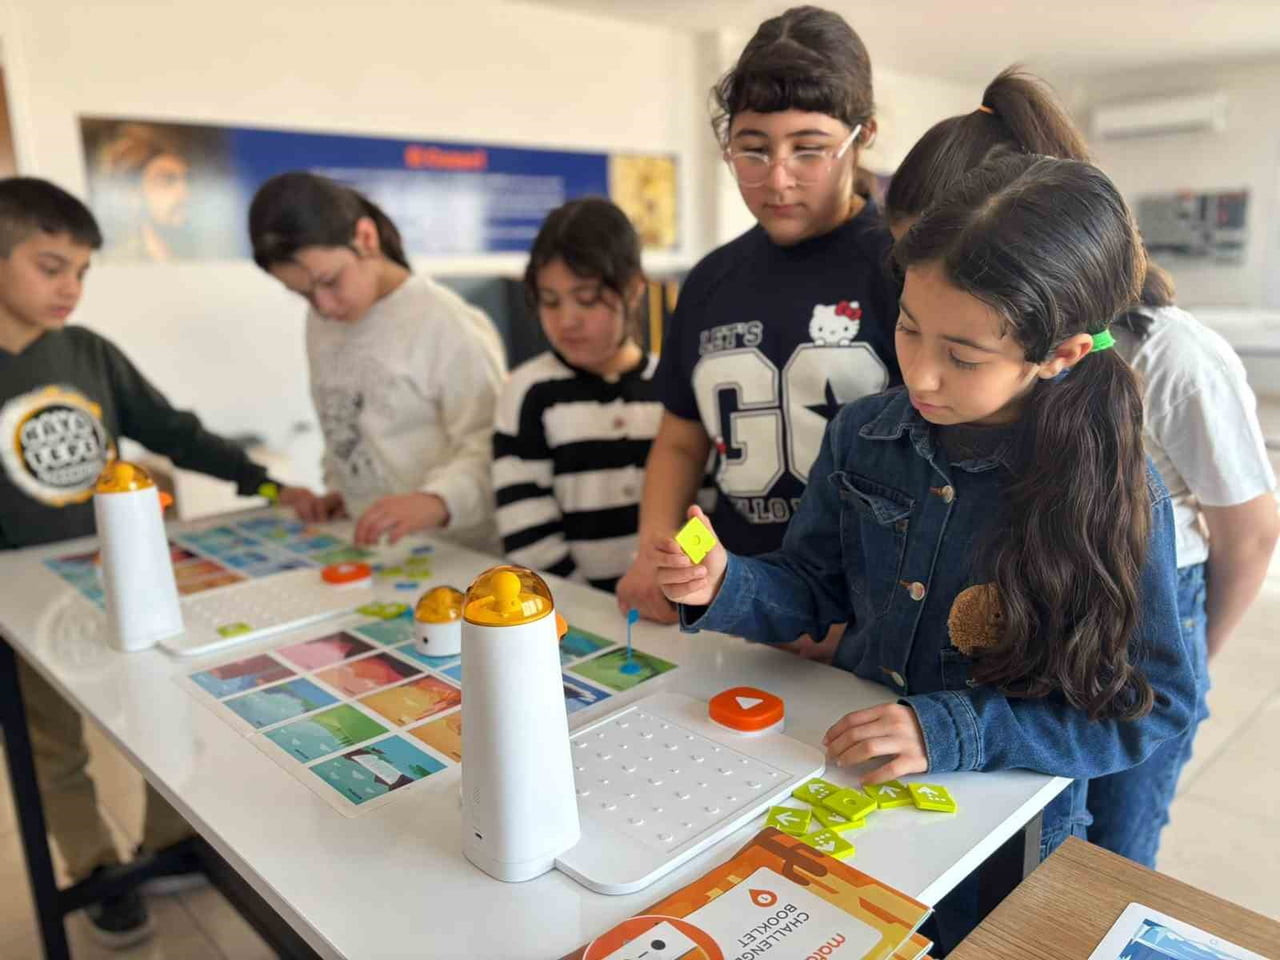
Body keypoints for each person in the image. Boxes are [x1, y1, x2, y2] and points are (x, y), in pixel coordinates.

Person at [654, 154, 1195, 936]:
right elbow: (813, 587)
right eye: (909, 327)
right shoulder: (862, 434)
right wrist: (723, 582)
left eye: (963, 357)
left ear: (1061, 355)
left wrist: (956, 728)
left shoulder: (1115, 490)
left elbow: (1153, 707)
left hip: (1006, 847)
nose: (922, 373)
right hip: (857, 797)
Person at [884, 66, 1279, 867]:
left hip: (1150, 606)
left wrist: (1191, 668)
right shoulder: (958, 352)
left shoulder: (1172, 356)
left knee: (1116, 850)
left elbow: (1250, 531)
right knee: (1027, 837)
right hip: (1037, 601)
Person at [0, 177, 311, 947]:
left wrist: (267, 481)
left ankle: (167, 844)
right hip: (19, 593)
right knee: (52, 743)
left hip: (115, 573)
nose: (70, 287)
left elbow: (173, 429)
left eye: (81, 271)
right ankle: (98, 871)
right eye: (50, 267)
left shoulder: (89, 353)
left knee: (164, 702)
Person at [616, 5, 900, 625]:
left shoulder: (904, 267)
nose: (777, 179)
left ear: (864, 135)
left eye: (809, 150)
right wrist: (655, 558)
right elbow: (681, 444)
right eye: (752, 150)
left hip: (864, 609)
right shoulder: (711, 280)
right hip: (735, 594)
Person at [248, 172, 506, 550]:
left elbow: (491, 449)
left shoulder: (446, 323)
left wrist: (435, 502)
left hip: (456, 554)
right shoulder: (321, 322)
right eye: (302, 294)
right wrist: (342, 490)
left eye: (330, 281)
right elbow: (346, 424)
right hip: (372, 546)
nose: (323, 305)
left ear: (366, 239)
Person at [493, 198, 662, 591]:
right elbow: (526, 531)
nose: (567, 319)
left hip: (673, 609)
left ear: (634, 288)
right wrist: (590, 607)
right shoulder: (529, 392)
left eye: (586, 298)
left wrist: (674, 579)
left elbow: (704, 513)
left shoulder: (673, 383)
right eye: (550, 300)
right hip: (573, 615)